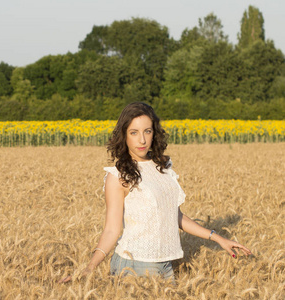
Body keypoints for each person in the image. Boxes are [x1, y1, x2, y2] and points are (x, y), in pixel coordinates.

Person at [59, 102, 251, 283]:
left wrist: (219, 239)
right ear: (124, 136)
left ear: (154, 133)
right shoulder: (118, 176)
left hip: (166, 266)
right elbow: (111, 229)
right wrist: (89, 268)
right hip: (134, 266)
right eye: (134, 133)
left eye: (147, 131)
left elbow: (173, 215)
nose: (142, 140)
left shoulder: (162, 167)